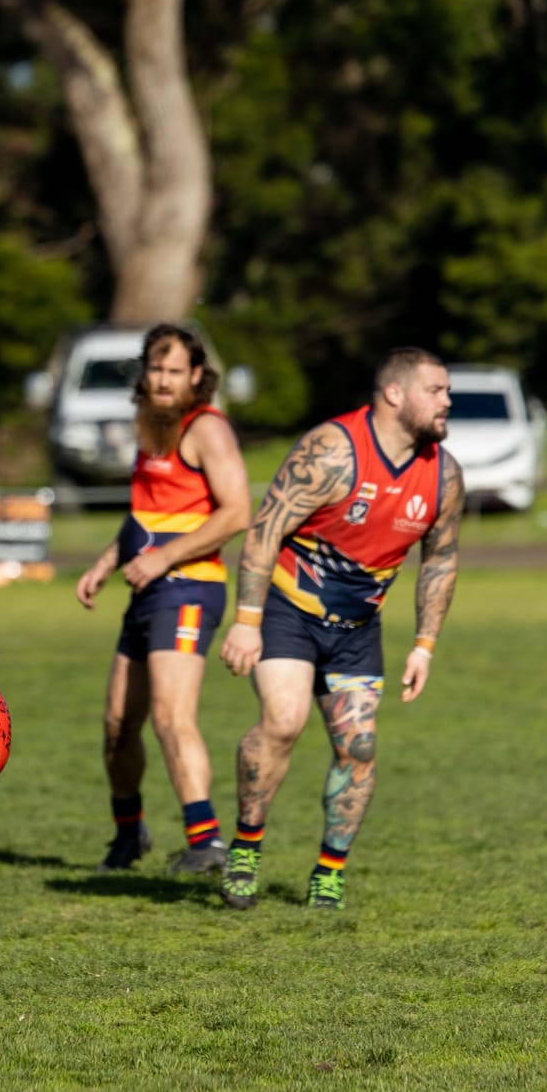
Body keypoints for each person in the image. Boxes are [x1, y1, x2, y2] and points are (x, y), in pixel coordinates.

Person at [215, 348, 464, 911]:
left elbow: (441, 560)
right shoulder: (331, 451)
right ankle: (247, 847)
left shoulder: (444, 475)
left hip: (357, 629)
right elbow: (263, 531)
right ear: (394, 393)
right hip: (288, 612)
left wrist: (424, 645)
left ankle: (329, 871)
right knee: (283, 722)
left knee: (360, 746)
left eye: (447, 391)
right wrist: (247, 622)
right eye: (436, 390)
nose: (447, 400)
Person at [76, 324, 250, 875]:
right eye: (157, 369)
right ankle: (129, 834)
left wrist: (164, 558)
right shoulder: (149, 424)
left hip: (191, 587)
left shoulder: (207, 430)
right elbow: (147, 514)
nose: (165, 380)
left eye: (176, 371)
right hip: (148, 589)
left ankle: (208, 841)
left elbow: (237, 513)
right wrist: (108, 561)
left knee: (173, 718)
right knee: (117, 724)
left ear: (197, 376)